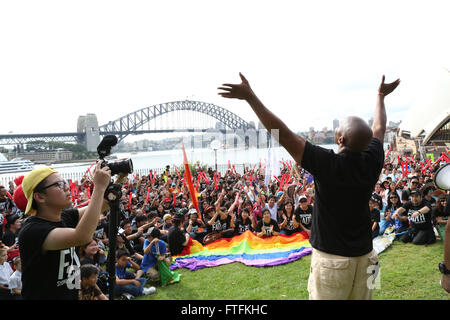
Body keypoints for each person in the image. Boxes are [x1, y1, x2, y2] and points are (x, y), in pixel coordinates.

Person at [219, 72, 400, 300]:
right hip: (368, 256)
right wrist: (380, 97)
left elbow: (283, 134)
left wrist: (250, 97)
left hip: (332, 262)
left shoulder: (328, 163)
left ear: (340, 140)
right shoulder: (373, 159)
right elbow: (379, 128)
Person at [18, 162, 112, 299]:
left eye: (64, 182)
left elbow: (103, 204)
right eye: (58, 185)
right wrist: (98, 187)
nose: (67, 187)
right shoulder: (33, 231)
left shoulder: (64, 216)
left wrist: (116, 181)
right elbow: (82, 237)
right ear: (39, 197)